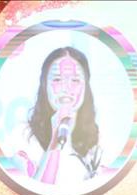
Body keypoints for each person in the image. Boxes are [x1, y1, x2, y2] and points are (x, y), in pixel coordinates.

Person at [14, 46, 103, 184]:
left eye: (75, 80)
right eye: (57, 79)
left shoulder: (97, 142)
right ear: (44, 85)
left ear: (86, 86)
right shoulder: (24, 136)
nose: (66, 88)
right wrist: (55, 141)